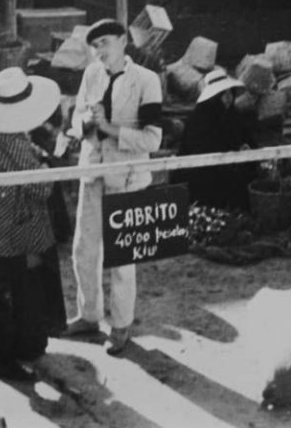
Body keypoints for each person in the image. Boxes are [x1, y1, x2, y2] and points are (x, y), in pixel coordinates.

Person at [65, 19, 163, 355]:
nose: (100, 51)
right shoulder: (91, 74)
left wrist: (110, 128)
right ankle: (88, 315)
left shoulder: (147, 81)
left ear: (123, 41)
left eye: (105, 43)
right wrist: (84, 124)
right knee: (84, 249)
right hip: (92, 170)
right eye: (95, 46)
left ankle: (121, 326)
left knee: (122, 256)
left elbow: (153, 137)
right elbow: (76, 117)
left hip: (128, 175)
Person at [0, 67, 66, 381]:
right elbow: (41, 187)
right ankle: (5, 358)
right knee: (20, 293)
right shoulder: (9, 141)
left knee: (3, 290)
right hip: (20, 224)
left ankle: (13, 348)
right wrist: (47, 163)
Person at [176, 69, 256, 211]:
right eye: (222, 94)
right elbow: (201, 151)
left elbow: (248, 139)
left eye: (230, 93)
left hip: (231, 171)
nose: (228, 98)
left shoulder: (234, 116)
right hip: (205, 177)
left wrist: (246, 148)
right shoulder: (198, 120)